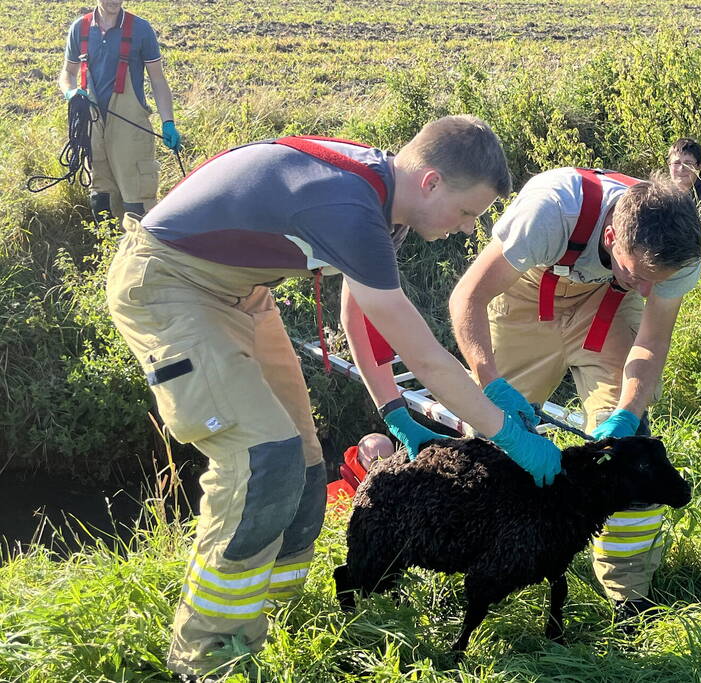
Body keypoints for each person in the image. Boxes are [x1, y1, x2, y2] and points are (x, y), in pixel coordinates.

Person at [105, 115, 562, 679]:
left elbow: (358, 309)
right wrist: (509, 436)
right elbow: (424, 357)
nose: (469, 229)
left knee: (300, 460)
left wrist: (395, 410)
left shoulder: (381, 193)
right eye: (468, 212)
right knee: (260, 458)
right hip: (171, 285)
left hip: (243, 294)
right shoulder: (348, 208)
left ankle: (278, 615)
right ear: (432, 182)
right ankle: (207, 658)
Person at [448, 167, 701, 620]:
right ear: (609, 236)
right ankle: (472, 568)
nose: (649, 290)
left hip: (606, 308)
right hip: (527, 295)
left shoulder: (678, 255)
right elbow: (467, 298)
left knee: (631, 456)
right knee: (488, 443)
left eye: (657, 282)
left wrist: (626, 413)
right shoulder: (551, 211)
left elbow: (652, 340)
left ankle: (630, 596)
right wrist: (491, 385)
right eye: (640, 274)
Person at [57, 0, 179, 222]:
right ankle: (108, 252)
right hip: (92, 124)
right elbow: (68, 73)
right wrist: (70, 92)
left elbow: (158, 80)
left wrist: (168, 122)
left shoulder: (141, 29)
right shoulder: (80, 28)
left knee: (137, 197)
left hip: (130, 124)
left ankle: (141, 252)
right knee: (101, 195)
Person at [667, 137, 701, 218]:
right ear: (669, 166)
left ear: (699, 166)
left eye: (688, 163)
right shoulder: (661, 193)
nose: (681, 168)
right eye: (676, 163)